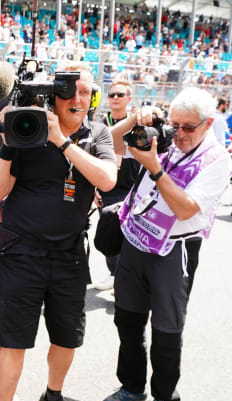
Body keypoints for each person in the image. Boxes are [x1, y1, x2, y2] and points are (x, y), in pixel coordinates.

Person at [0, 64, 117, 401]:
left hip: (70, 254)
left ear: (94, 97)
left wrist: (61, 141)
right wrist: (8, 144)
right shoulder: (27, 130)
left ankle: (53, 396)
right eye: (68, 91)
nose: (78, 99)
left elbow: (107, 179)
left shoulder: (98, 133)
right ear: (53, 96)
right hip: (22, 253)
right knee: (14, 339)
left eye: (86, 92)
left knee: (67, 336)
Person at [102, 88, 232, 401]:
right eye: (176, 125)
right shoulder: (165, 137)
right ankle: (132, 387)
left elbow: (187, 209)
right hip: (135, 240)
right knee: (127, 319)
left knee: (166, 329)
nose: (181, 134)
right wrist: (137, 118)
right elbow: (109, 144)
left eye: (189, 127)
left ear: (208, 123)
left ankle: (164, 395)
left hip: (174, 250)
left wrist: (155, 167)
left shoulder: (218, 160)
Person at [94, 80, 138, 291]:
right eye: (112, 95)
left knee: (130, 235)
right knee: (109, 231)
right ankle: (114, 274)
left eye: (120, 94)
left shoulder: (137, 124)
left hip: (132, 186)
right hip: (108, 187)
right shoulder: (101, 124)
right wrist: (93, 186)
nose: (115, 98)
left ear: (129, 99)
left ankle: (125, 279)